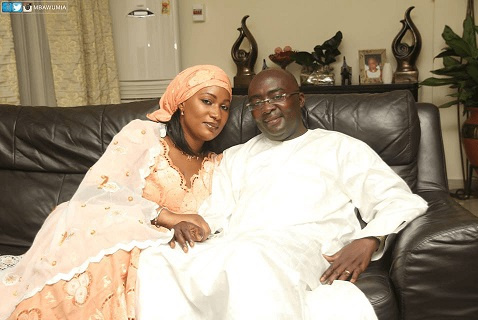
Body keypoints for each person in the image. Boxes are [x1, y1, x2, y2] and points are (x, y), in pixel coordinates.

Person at [136, 68, 428, 319]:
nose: (267, 107)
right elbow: (216, 212)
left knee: (248, 257)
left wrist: (368, 238)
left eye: (277, 96)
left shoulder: (340, 147)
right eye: (257, 101)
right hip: (236, 244)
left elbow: (397, 199)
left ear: (300, 100)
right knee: (156, 261)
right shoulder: (236, 156)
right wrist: (193, 226)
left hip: (300, 246)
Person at [0, 65, 232, 319]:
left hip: (162, 257)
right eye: (207, 101)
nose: (216, 114)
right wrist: (167, 217)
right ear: (182, 103)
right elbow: (100, 190)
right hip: (108, 231)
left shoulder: (217, 165)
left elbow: (215, 218)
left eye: (224, 107)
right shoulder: (144, 134)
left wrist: (194, 228)